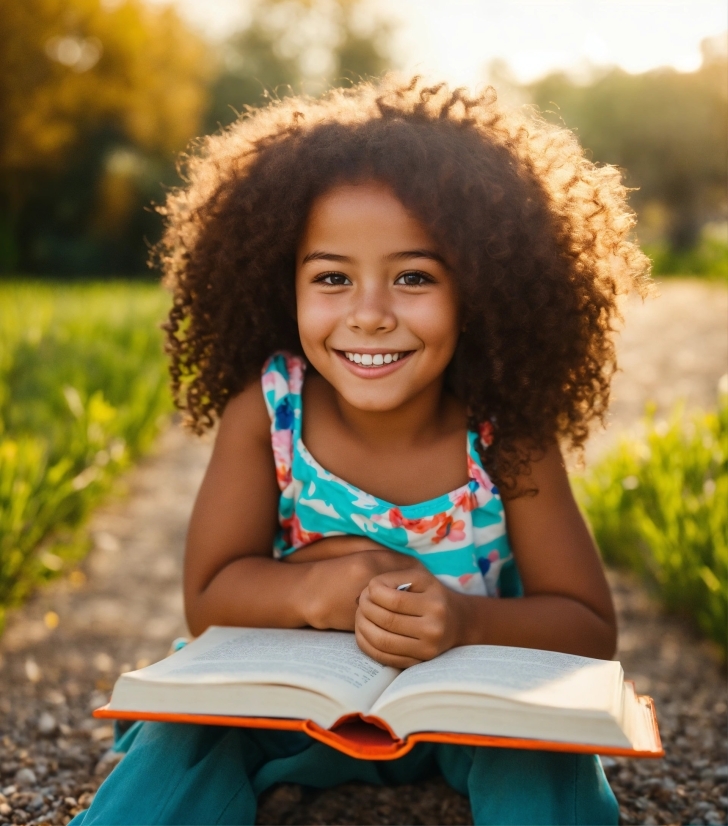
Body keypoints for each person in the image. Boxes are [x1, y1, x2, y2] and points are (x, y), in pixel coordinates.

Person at [72, 75, 651, 825]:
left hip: (468, 713)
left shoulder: (506, 432)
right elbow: (209, 596)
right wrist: (322, 591)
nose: (370, 315)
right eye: (332, 279)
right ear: (284, 286)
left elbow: (587, 628)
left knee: (546, 750)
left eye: (413, 277)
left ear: (481, 288)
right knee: (182, 737)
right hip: (284, 704)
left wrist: (467, 623)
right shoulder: (269, 411)